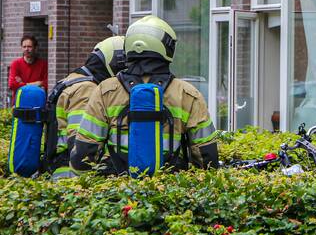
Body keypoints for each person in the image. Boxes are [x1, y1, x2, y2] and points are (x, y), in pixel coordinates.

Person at [71, 16, 219, 175]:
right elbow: (207, 158)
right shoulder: (187, 94)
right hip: (170, 187)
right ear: (168, 47)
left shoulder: (105, 91)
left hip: (117, 188)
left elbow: (82, 158)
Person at [48, 36, 126, 179]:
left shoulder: (73, 79)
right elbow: (80, 144)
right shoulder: (86, 90)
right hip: (71, 177)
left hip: (64, 172)